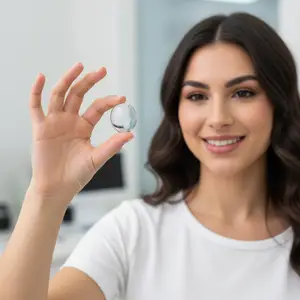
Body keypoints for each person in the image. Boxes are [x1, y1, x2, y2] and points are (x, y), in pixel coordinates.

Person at [0, 11, 300, 300]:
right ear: (176, 111)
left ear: (279, 103)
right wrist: (46, 194)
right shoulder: (132, 231)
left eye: (243, 93)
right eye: (197, 96)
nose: (218, 118)